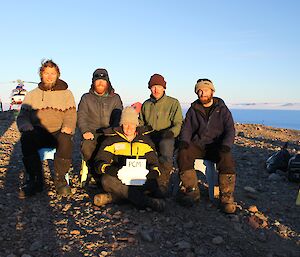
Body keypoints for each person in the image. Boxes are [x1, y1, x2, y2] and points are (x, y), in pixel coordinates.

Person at [17, 59, 77, 198]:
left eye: (53, 73)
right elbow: (23, 116)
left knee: (66, 140)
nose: (49, 76)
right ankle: (34, 180)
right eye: (46, 73)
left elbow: (71, 114)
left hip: (58, 131)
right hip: (37, 130)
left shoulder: (67, 93)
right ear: (41, 75)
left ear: (58, 75)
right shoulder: (32, 94)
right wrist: (26, 126)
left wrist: (67, 127)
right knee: (26, 139)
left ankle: (60, 180)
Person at [177, 78, 236, 213]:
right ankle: (191, 191)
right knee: (183, 153)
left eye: (206, 90)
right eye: (200, 91)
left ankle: (226, 198)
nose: (203, 93)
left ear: (212, 91)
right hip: (198, 145)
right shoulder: (193, 109)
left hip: (216, 146)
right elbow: (187, 128)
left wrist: (226, 145)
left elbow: (230, 130)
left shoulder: (222, 109)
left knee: (226, 158)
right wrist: (184, 141)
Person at [93, 107, 165, 212]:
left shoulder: (145, 141)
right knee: (106, 180)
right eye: (126, 124)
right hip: (119, 178)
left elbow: (154, 164)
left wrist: (152, 173)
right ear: (121, 124)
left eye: (132, 124)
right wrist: (112, 170)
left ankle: (117, 197)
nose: (129, 128)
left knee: (155, 183)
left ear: (136, 125)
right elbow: (99, 162)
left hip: (141, 178)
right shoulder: (111, 140)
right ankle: (146, 201)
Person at [139, 73, 183, 194]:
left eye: (158, 86)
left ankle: (162, 183)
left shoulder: (173, 103)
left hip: (168, 136)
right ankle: (145, 182)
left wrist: (171, 133)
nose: (156, 89)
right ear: (150, 89)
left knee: (165, 148)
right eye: (153, 87)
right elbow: (141, 123)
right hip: (150, 136)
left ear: (164, 88)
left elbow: (178, 123)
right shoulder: (146, 104)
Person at [77, 68, 123, 184]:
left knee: (117, 148)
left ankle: (113, 173)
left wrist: (114, 131)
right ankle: (94, 173)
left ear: (108, 82)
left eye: (103, 80)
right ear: (93, 82)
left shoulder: (115, 98)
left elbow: (118, 117)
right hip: (91, 132)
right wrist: (85, 131)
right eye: (97, 80)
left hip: (110, 132)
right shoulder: (86, 98)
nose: (100, 83)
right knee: (87, 147)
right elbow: (81, 117)